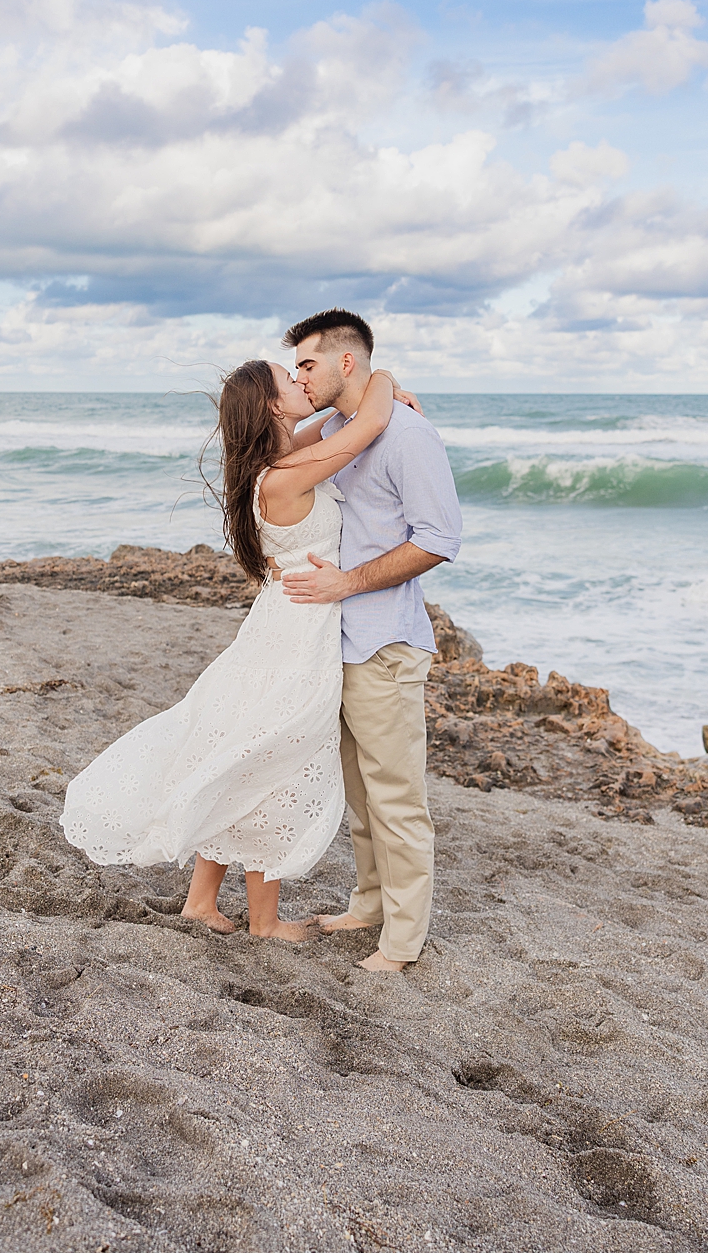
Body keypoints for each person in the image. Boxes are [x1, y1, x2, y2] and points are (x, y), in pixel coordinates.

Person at [61, 358, 404, 939]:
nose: (302, 382)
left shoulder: (277, 462)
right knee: (271, 761)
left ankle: (201, 902)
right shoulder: (282, 477)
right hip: (294, 637)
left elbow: (333, 424)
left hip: (281, 626)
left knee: (237, 752)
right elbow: (367, 425)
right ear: (271, 404)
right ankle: (264, 923)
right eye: (290, 379)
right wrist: (385, 378)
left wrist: (345, 395)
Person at [278, 309, 463, 974]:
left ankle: (403, 943)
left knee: (396, 799)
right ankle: (369, 904)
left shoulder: (409, 435)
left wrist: (348, 583)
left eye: (308, 364)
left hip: (384, 645)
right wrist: (385, 383)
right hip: (334, 643)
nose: (301, 377)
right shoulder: (337, 430)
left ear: (345, 361)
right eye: (295, 368)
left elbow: (439, 539)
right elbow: (271, 448)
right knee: (359, 793)